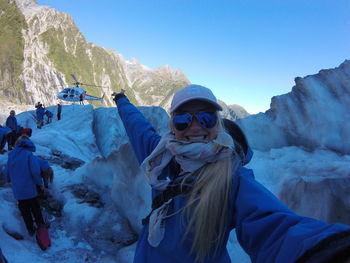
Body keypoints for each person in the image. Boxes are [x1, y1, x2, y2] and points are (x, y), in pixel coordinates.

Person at [112, 85, 350, 263]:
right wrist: (122, 100)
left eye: (206, 117)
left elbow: (273, 226)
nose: (195, 127)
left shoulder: (233, 178)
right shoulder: (161, 156)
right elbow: (137, 126)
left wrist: (326, 250)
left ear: (219, 124)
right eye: (183, 119)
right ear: (172, 125)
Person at [4, 135, 46, 236]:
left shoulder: (11, 154)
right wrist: (39, 182)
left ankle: (30, 229)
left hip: (18, 189)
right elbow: (35, 171)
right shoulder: (28, 155)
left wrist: (9, 179)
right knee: (35, 206)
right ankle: (41, 225)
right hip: (29, 187)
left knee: (24, 209)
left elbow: (7, 170)